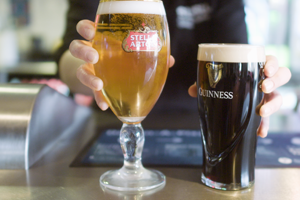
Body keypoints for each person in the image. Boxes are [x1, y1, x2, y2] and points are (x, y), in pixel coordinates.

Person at [55, 0, 291, 138]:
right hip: (112, 125)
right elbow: (68, 59)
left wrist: (254, 83)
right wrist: (90, 69)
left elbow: (234, 58)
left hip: (201, 127)